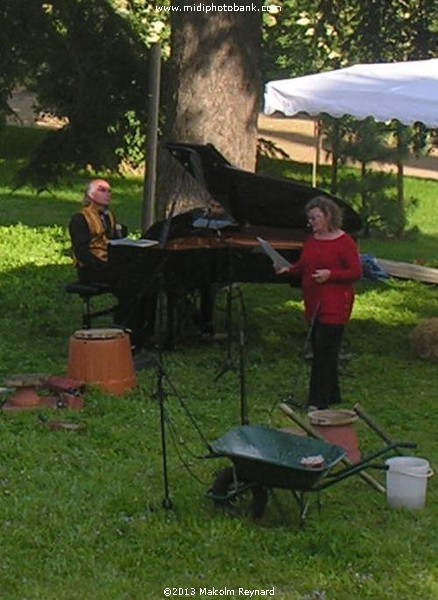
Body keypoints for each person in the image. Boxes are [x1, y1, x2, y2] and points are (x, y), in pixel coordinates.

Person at [276, 195, 362, 411]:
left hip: (334, 304)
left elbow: (355, 272)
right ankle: (332, 394)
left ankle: (317, 401)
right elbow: (305, 264)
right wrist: (289, 269)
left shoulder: (345, 242)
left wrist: (330, 274)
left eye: (315, 218)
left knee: (323, 352)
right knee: (322, 348)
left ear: (328, 217)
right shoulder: (312, 240)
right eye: (310, 218)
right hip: (313, 301)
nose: (311, 222)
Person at [68, 179, 156, 348]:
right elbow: (81, 252)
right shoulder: (80, 218)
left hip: (110, 263)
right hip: (91, 268)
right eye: (103, 190)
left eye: (109, 190)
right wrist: (103, 266)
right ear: (91, 195)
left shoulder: (110, 216)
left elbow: (115, 242)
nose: (108, 193)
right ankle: (124, 331)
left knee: (146, 280)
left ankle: (142, 331)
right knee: (129, 285)